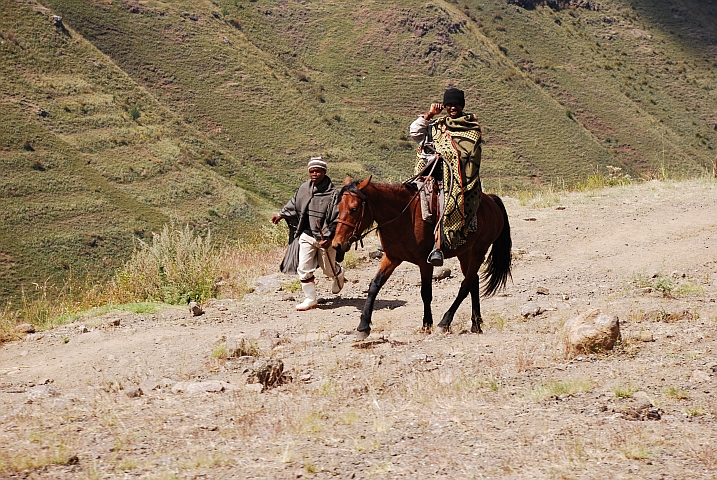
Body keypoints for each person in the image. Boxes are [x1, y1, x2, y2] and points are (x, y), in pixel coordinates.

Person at [409, 87, 483, 267]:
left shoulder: (471, 128)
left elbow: (470, 155)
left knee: (447, 203)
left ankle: (439, 247)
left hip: (457, 180)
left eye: (456, 104)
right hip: (430, 174)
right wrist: (430, 114)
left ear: (462, 105)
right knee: (406, 196)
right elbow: (415, 133)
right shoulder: (437, 125)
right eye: (449, 104)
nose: (452, 108)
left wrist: (449, 157)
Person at [271, 156, 345, 311]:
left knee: (328, 270)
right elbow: (294, 203)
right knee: (303, 268)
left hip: (325, 239)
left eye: (318, 171)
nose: (314, 174)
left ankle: (338, 274)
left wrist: (330, 237)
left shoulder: (333, 194)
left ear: (324, 172)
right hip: (307, 234)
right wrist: (281, 214)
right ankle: (310, 299)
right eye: (312, 171)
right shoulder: (304, 188)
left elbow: (337, 219)